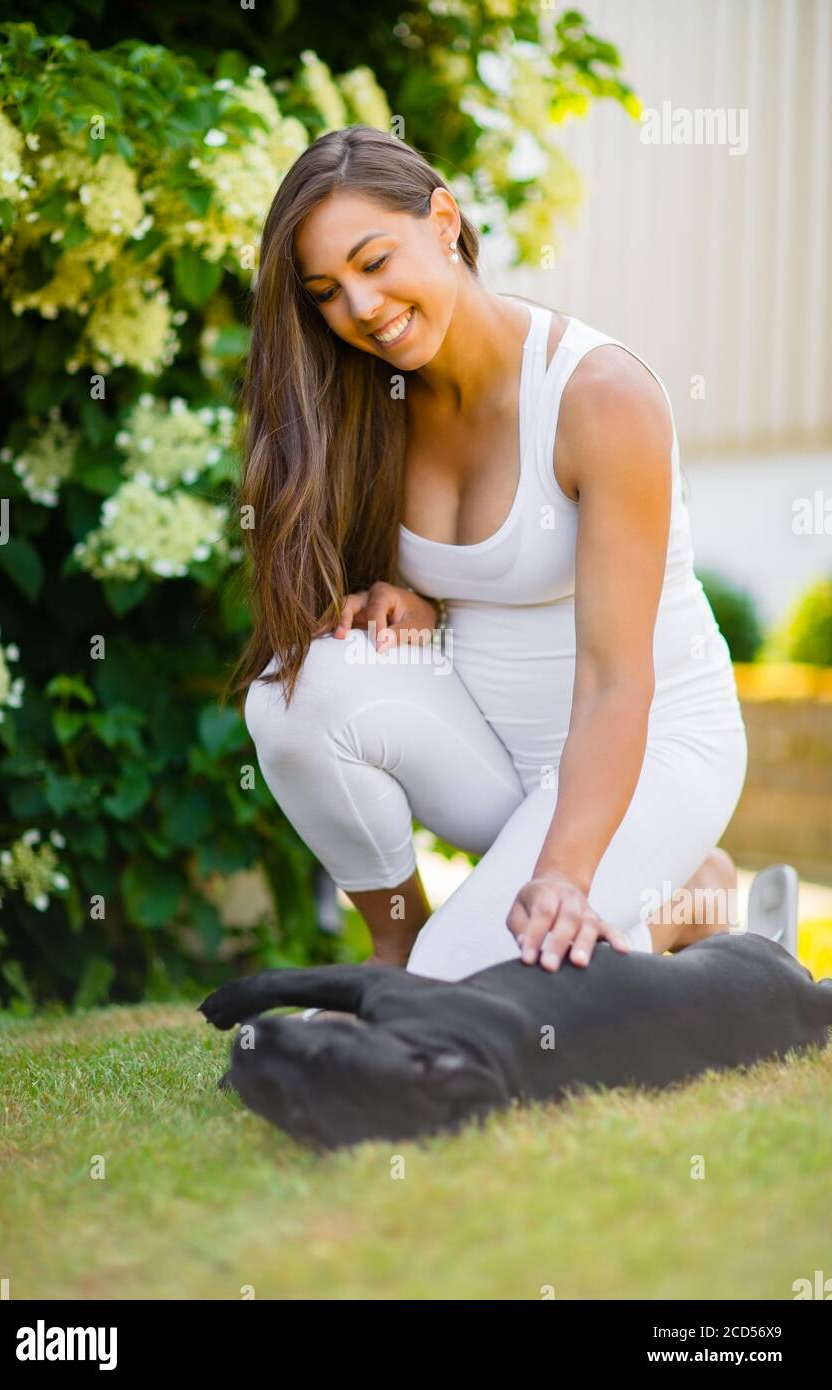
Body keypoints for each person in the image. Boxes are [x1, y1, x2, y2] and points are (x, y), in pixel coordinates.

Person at [224, 125, 748, 1008]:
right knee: (288, 697)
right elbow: (475, 579)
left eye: (374, 260)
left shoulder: (598, 396)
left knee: (463, 998)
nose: (362, 306)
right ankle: (398, 948)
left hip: (645, 751)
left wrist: (566, 874)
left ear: (441, 219)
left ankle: (684, 896)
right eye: (328, 291)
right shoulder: (369, 402)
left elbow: (619, 683)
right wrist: (419, 598)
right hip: (499, 765)